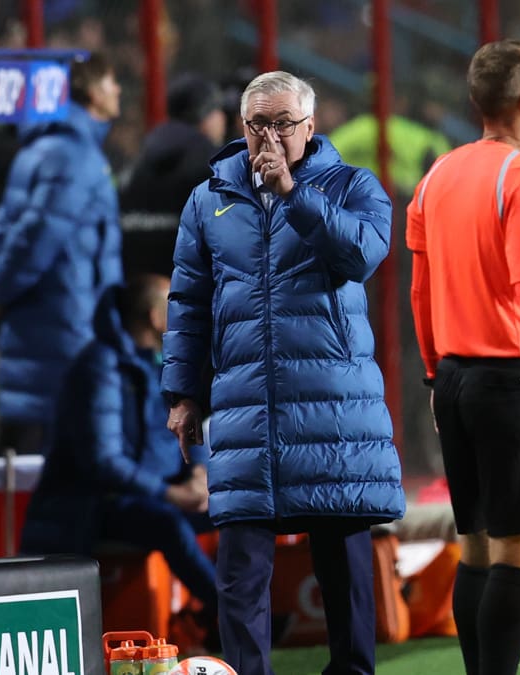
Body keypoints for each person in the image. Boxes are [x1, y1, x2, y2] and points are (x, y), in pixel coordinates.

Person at [162, 70, 405, 675]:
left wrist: (294, 192)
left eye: (282, 123)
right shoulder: (207, 198)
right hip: (246, 409)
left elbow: (359, 255)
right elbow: (188, 302)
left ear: (310, 127)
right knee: (240, 574)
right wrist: (184, 392)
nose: (269, 136)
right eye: (258, 124)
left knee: (344, 572)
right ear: (241, 127)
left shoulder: (355, 186)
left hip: (334, 410)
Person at [405, 41, 520, 674]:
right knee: (517, 551)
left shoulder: (436, 176)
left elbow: (419, 291)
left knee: (477, 547)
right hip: (512, 380)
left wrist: (434, 375)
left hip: (454, 379)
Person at [20, 274, 217, 637]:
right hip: (93, 505)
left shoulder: (165, 366)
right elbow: (103, 462)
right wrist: (172, 494)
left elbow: (190, 429)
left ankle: (225, 614)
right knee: (167, 523)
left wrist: (198, 476)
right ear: (157, 318)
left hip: (151, 495)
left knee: (238, 511)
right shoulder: (101, 368)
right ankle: (229, 615)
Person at [0, 51, 123, 456]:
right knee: (52, 469)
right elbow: (35, 238)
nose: (119, 91)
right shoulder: (72, 155)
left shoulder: (42, 148)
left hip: (44, 329)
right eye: (112, 82)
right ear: (92, 92)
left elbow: (5, 230)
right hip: (65, 331)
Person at [119, 73, 227, 277]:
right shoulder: (211, 162)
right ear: (206, 115)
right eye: (218, 110)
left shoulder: (140, 157)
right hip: (186, 283)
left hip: (137, 281)